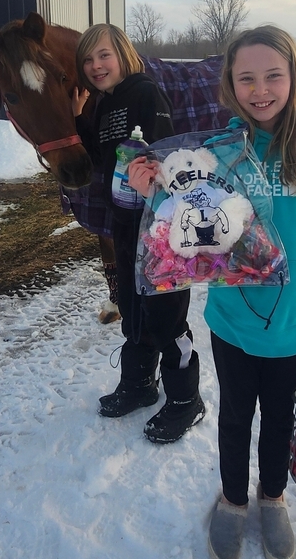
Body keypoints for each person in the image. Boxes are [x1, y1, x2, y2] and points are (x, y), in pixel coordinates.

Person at [128, 25, 296, 559]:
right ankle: (234, 500)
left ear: (295, 77)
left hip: (295, 324)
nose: (260, 90)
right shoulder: (221, 154)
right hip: (233, 320)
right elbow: (186, 223)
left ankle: (273, 496)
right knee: (236, 415)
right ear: (230, 86)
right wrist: (151, 191)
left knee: (280, 417)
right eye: (246, 79)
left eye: (273, 76)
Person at [72, 24, 205, 443]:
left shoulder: (145, 94)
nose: (96, 66)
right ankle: (139, 384)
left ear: (123, 55)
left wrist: (155, 184)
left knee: (167, 316)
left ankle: (186, 400)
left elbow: (166, 154)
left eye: (104, 55)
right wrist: (79, 117)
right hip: (126, 225)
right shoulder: (105, 104)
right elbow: (103, 159)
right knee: (133, 308)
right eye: (88, 59)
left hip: (160, 227)